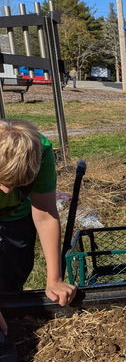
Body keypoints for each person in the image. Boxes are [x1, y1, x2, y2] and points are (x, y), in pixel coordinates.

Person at [0, 119, 77, 307]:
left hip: (16, 216)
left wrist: (55, 280)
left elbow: (45, 215)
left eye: (17, 184)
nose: (8, 191)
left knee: (12, 277)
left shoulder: (39, 151)